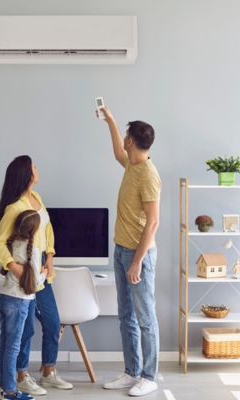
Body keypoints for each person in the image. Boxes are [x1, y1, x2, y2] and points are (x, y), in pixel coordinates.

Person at [0, 155, 73, 397]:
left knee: (52, 322)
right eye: (34, 167)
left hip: (43, 273)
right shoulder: (14, 208)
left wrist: (50, 257)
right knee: (25, 329)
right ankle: (21, 377)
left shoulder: (36, 198)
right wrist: (15, 268)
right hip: (26, 276)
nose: (37, 169)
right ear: (27, 175)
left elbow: (48, 229)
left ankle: (48, 372)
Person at [97, 106, 161, 397]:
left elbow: (153, 222)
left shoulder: (147, 174)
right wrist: (110, 120)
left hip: (138, 256)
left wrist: (137, 262)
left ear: (132, 141)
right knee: (126, 316)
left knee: (145, 318)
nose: (123, 139)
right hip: (121, 250)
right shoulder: (133, 165)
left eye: (124, 134)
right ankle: (132, 371)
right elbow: (117, 154)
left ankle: (149, 376)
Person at [0, 210, 45, 400]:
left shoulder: (11, 245)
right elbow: (35, 280)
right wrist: (45, 272)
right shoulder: (32, 251)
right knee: (13, 347)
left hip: (5, 298)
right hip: (19, 301)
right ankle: (9, 392)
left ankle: (4, 387)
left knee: (5, 344)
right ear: (34, 230)